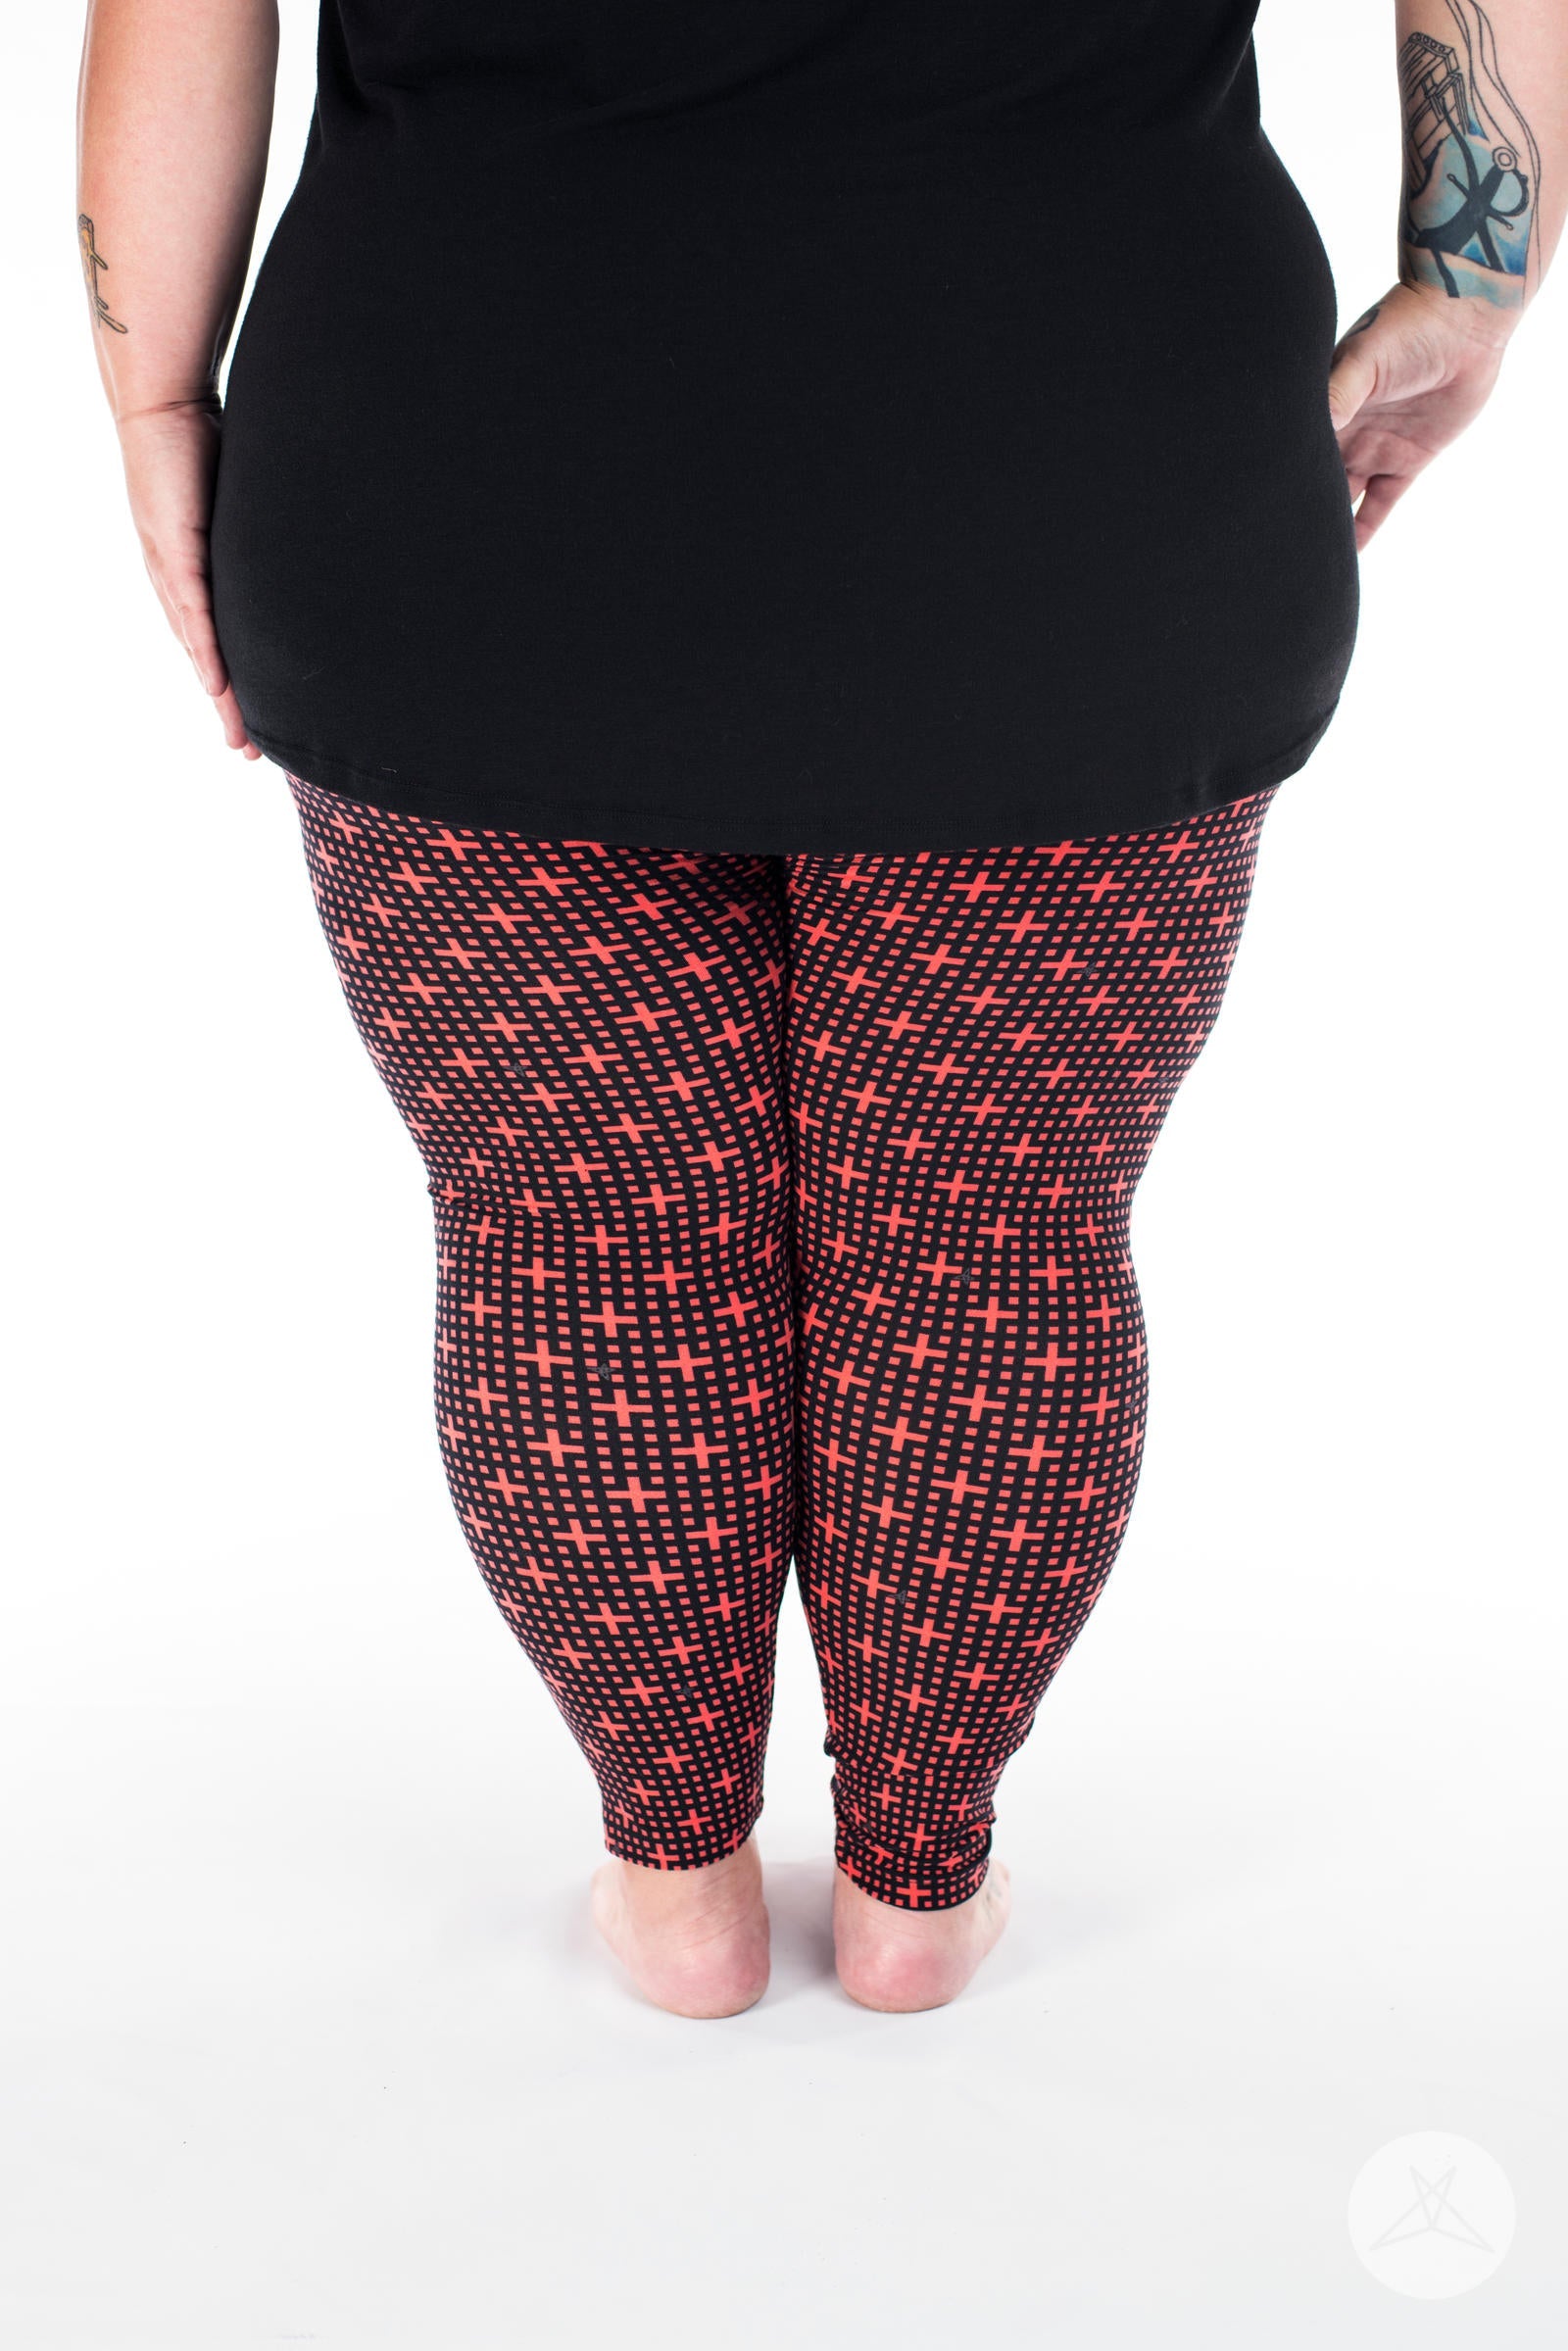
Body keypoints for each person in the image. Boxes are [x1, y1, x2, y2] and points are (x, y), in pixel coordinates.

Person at [75, 1, 1563, 2018]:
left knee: (579, 1224)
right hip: (1087, 449)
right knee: (988, 1226)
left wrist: (156, 391)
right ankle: (916, 1893)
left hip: (465, 434)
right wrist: (1470, 289)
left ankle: (676, 1882)